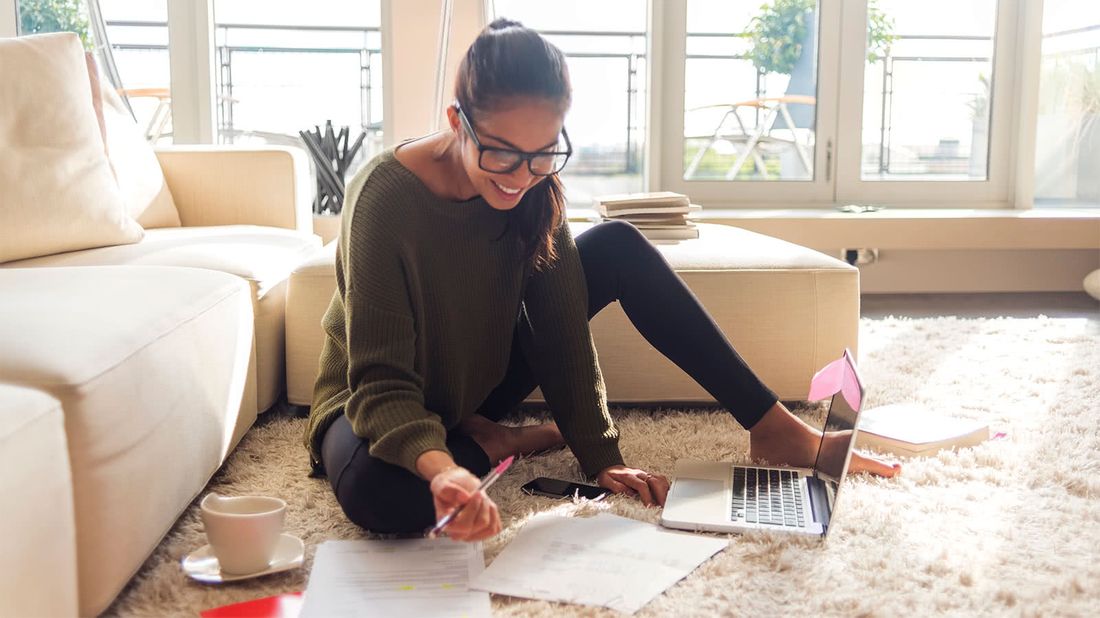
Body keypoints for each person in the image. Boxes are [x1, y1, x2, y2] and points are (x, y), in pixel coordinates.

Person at [303, 18, 899, 543]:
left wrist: (601, 458)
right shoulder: (384, 197)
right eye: (503, 154)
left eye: (544, 153)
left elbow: (561, 332)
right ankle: (492, 444)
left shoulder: (535, 189)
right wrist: (446, 468)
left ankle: (775, 429)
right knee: (386, 497)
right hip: (372, 399)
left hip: (473, 382)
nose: (522, 177)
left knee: (616, 245)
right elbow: (380, 383)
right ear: (457, 121)